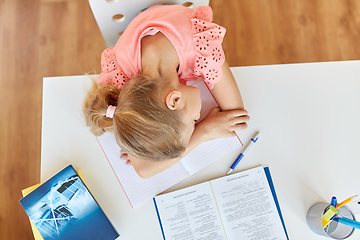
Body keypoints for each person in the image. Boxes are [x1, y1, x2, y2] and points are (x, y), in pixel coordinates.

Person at [83, 5, 250, 179]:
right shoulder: (131, 97)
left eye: (195, 120)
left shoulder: (199, 46)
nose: (199, 118)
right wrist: (203, 132)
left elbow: (236, 116)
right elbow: (143, 170)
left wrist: (205, 130)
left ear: (175, 100)